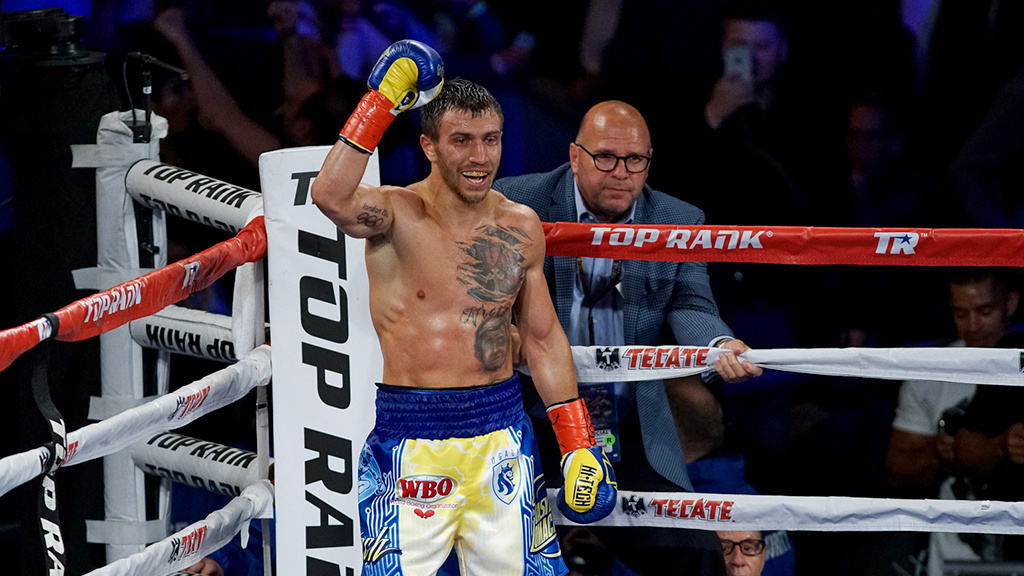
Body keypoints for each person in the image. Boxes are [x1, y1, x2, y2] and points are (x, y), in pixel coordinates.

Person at [309, 41, 616, 575]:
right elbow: (329, 196)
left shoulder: (519, 226)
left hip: (502, 432)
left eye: (491, 139)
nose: (480, 157)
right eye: (462, 141)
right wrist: (380, 101)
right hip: (411, 440)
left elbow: (542, 340)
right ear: (428, 146)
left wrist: (576, 443)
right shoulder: (395, 212)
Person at [493, 100, 761, 576]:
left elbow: (690, 304)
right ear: (575, 156)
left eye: (634, 160)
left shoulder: (676, 219)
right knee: (501, 554)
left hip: (625, 419)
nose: (621, 172)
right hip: (532, 415)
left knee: (697, 558)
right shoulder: (517, 203)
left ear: (649, 160)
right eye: (605, 158)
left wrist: (718, 346)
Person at [884, 267, 1019, 575]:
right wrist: (943, 452)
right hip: (954, 561)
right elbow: (897, 471)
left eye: (984, 311)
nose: (972, 326)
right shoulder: (933, 372)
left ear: (1010, 303)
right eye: (960, 313)